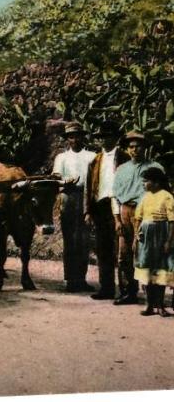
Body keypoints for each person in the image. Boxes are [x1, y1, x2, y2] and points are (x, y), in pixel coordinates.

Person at [112, 132, 165, 305]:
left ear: (145, 148)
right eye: (132, 147)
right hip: (126, 211)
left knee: (148, 253)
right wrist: (117, 220)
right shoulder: (121, 169)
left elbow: (163, 194)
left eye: (139, 146)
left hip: (148, 213)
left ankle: (154, 297)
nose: (135, 150)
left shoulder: (155, 167)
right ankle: (128, 292)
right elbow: (115, 196)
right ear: (127, 149)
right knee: (124, 254)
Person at [84, 121, 129, 300]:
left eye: (108, 136)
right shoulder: (95, 160)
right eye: (101, 137)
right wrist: (87, 211)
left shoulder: (124, 157)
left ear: (115, 138)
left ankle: (126, 290)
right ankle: (106, 288)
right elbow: (88, 187)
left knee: (122, 249)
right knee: (103, 249)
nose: (104, 140)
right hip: (101, 207)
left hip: (120, 205)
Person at [52, 121, 96, 292]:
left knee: (84, 240)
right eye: (71, 136)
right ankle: (70, 279)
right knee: (70, 239)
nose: (74, 139)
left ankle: (81, 279)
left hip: (85, 196)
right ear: (67, 139)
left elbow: (94, 180)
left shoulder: (91, 156)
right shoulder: (61, 158)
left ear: (82, 137)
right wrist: (65, 181)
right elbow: (56, 179)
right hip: (68, 196)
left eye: (77, 136)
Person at [133, 167, 174, 317]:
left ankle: (161, 305)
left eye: (146, 181)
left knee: (161, 270)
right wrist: (136, 237)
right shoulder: (145, 197)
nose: (144, 184)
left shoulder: (167, 196)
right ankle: (149, 304)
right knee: (147, 270)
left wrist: (169, 241)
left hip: (161, 234)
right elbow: (138, 218)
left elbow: (171, 221)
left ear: (156, 182)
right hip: (146, 237)